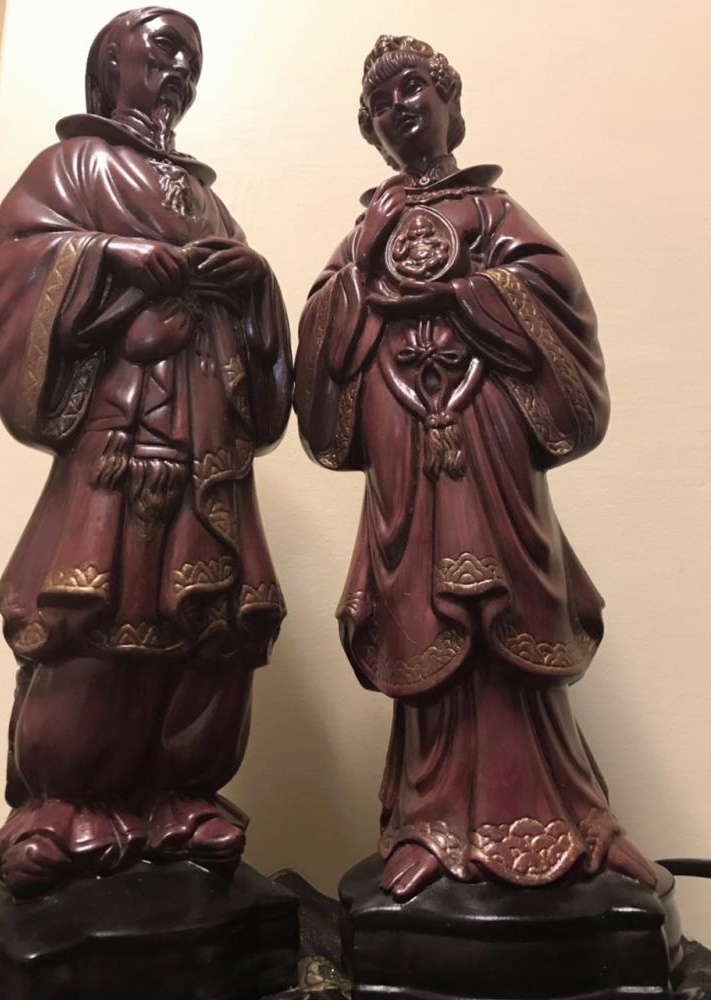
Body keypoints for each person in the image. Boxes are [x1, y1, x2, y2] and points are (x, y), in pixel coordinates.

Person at [295, 34, 655, 902]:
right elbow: (321, 350)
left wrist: (463, 293)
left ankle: (572, 817)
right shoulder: (365, 232)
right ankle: (430, 823)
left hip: (488, 440)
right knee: (425, 614)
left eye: (414, 87)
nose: (400, 107)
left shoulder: (495, 215)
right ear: (370, 130)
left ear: (452, 103)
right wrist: (363, 268)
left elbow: (556, 299)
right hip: (406, 454)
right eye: (381, 102)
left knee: (510, 612)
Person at [0, 7, 292, 898]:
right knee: (96, 613)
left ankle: (183, 795)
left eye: (192, 60)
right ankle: (64, 801)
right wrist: (111, 256)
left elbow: (264, 368)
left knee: (209, 624)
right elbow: (9, 267)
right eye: (162, 52)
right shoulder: (73, 165)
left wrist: (255, 283)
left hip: (207, 441)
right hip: (119, 431)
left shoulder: (207, 199)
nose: (179, 71)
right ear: (109, 64)